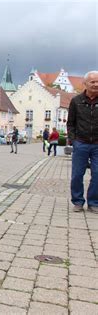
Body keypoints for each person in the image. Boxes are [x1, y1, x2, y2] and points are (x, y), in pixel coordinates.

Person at [67, 70, 98, 213]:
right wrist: (73, 141)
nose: (96, 84)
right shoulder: (76, 101)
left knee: (97, 174)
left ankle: (93, 202)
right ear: (85, 84)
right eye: (92, 82)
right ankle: (78, 201)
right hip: (81, 143)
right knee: (77, 175)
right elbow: (70, 123)